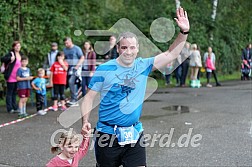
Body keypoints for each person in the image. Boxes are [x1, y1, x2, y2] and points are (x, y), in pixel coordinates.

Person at [81, 7, 189, 167]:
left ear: (137, 49)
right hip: (107, 134)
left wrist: (184, 33)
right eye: (124, 47)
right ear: (118, 49)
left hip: (134, 133)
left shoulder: (143, 65)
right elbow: (89, 97)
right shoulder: (104, 69)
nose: (128, 52)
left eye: (132, 47)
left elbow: (171, 54)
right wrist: (85, 121)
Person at [1, 41, 23, 113]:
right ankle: (9, 108)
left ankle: (15, 107)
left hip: (18, 76)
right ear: (13, 47)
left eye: (19, 46)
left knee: (14, 92)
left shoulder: (21, 54)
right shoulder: (11, 54)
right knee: (10, 92)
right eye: (16, 46)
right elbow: (2, 59)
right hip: (11, 76)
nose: (18, 47)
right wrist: (10, 58)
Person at [63, 37, 84, 106]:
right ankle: (71, 98)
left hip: (76, 68)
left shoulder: (77, 49)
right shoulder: (65, 50)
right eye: (65, 43)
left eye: (67, 43)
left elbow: (82, 58)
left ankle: (74, 99)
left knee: (71, 82)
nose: (66, 45)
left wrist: (77, 66)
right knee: (68, 84)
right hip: (68, 69)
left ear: (70, 41)